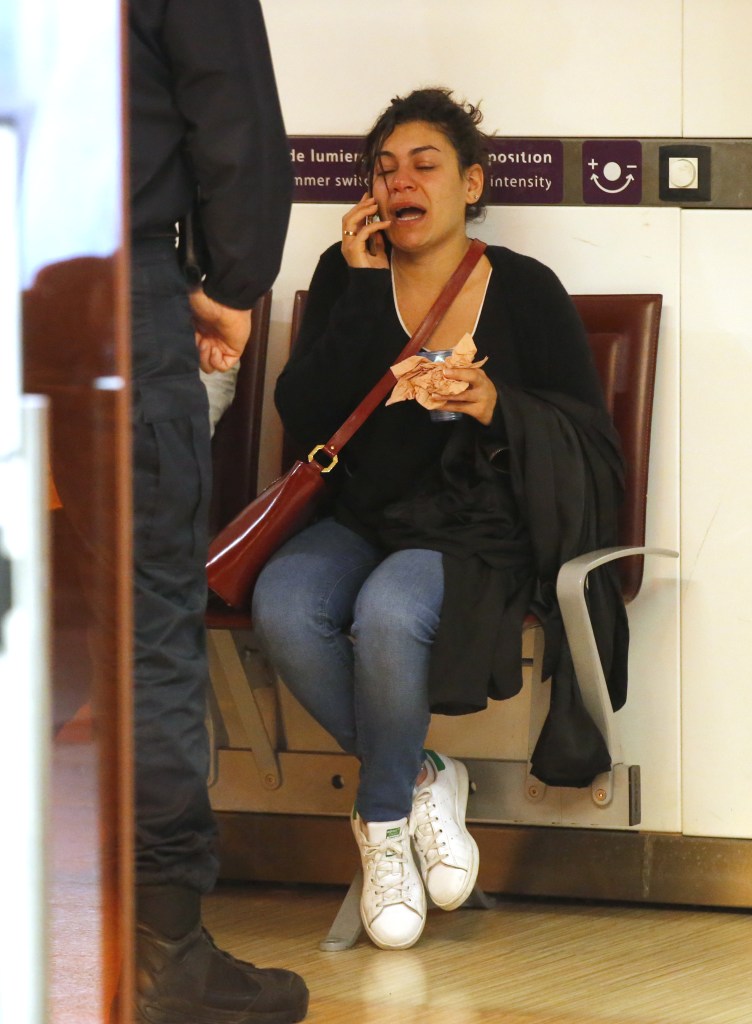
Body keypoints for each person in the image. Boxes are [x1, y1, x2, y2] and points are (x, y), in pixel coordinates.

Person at [252, 87, 628, 951]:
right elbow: (304, 415)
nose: (399, 183)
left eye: (423, 166)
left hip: (476, 529)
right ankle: (425, 773)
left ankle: (383, 820)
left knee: (389, 611)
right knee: (285, 601)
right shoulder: (345, 271)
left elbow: (589, 441)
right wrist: (355, 291)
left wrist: (497, 402)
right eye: (383, 171)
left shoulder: (526, 290)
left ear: (471, 185)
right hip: (363, 515)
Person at [129, 2, 308, 1021]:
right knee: (143, 629)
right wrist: (231, 280)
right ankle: (159, 950)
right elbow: (231, 120)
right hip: (105, 297)